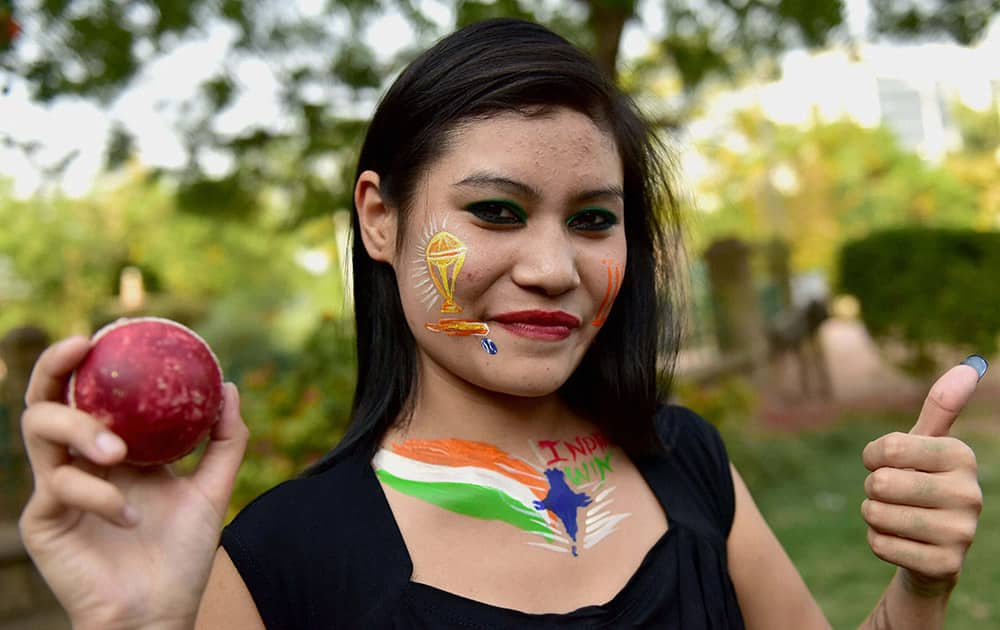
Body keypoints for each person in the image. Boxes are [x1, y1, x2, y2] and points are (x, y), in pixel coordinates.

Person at [18, 18, 985, 630]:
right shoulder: (281, 565)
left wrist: (918, 594)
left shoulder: (685, 461)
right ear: (380, 219)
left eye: (594, 220)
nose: (553, 268)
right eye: (495, 211)